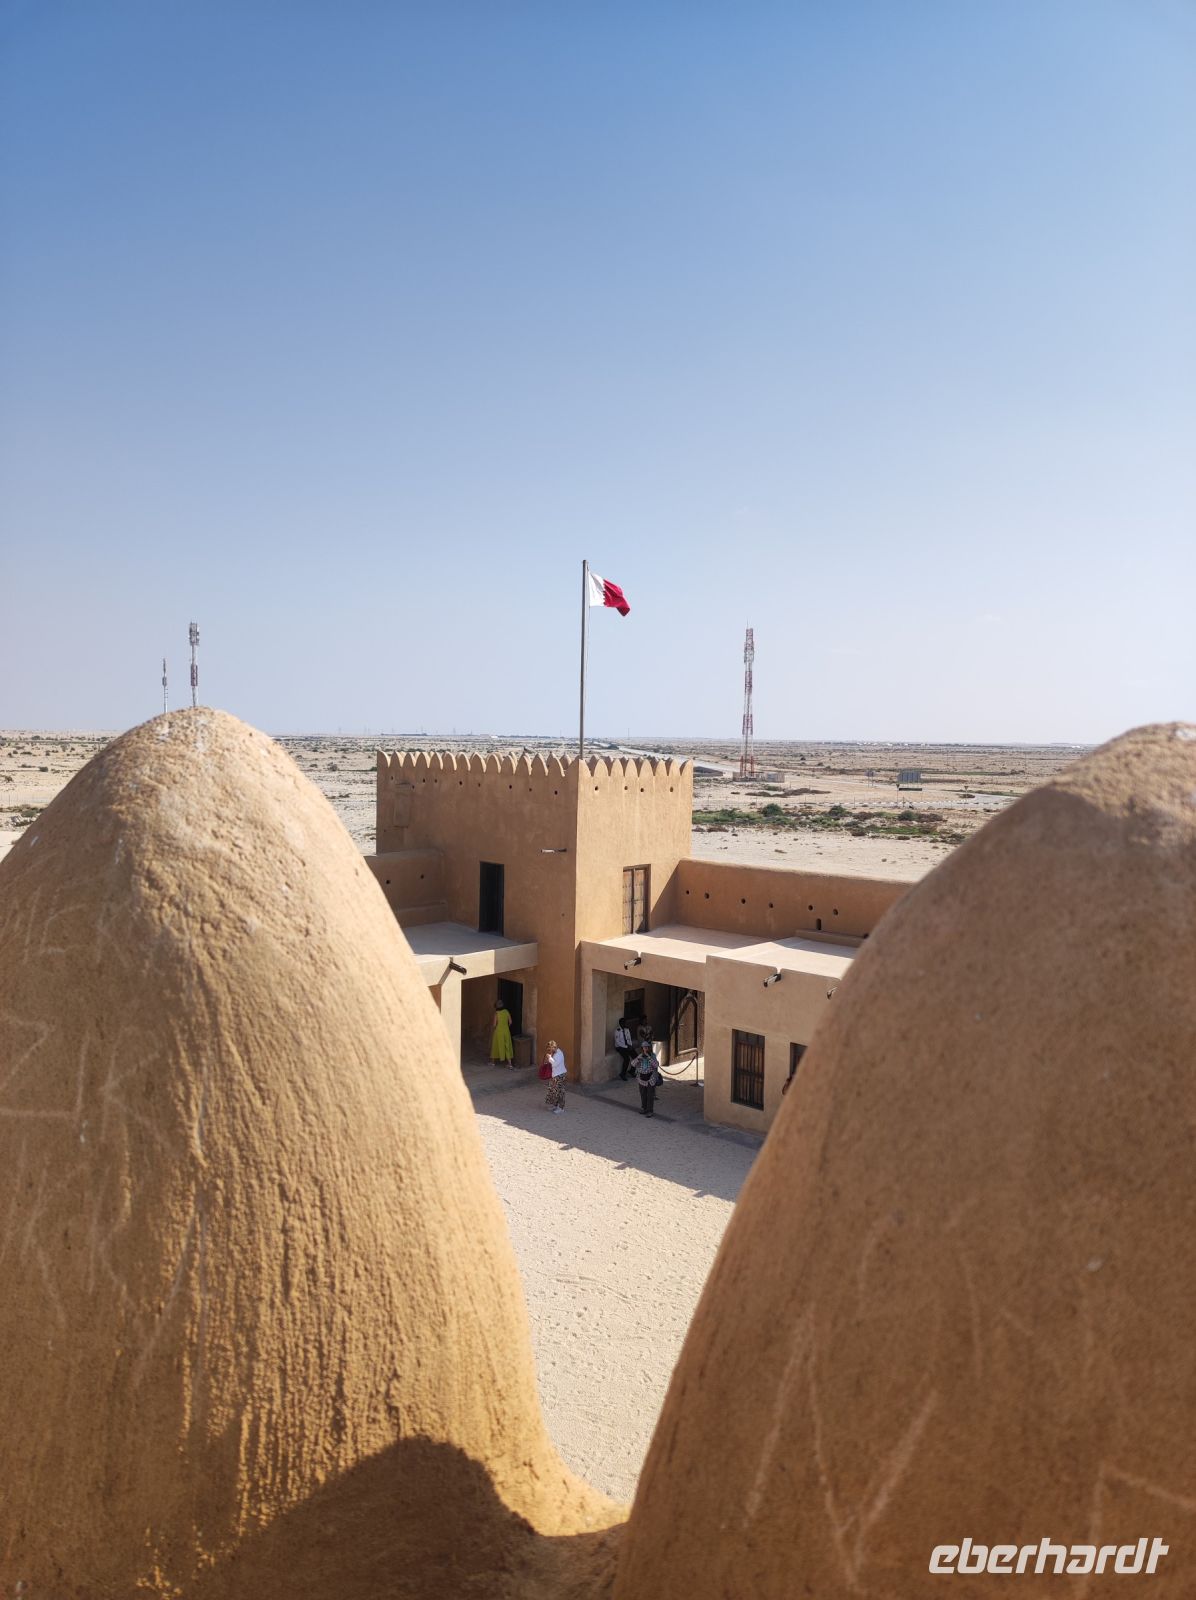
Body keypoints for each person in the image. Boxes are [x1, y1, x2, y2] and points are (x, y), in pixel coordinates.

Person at [635, 1042, 661, 1117]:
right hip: (641, 1078)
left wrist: (649, 1058)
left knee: (650, 1095)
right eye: (644, 1047)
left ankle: (650, 1110)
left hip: (650, 1078)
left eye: (647, 1047)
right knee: (643, 1094)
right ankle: (644, 1108)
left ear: (649, 1048)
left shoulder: (653, 1056)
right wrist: (638, 1058)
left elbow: (656, 1065)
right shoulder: (640, 1056)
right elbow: (633, 1064)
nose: (645, 1049)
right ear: (642, 1048)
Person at [544, 1039, 567, 1114]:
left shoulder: (559, 1053)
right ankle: (555, 1105)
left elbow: (555, 1064)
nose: (549, 1051)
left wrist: (550, 1058)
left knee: (560, 1092)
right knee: (553, 1091)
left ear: (554, 1047)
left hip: (560, 1075)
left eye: (550, 1049)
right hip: (555, 1075)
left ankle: (561, 1108)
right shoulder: (554, 1053)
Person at [490, 999, 514, 1068]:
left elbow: (494, 1024)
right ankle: (510, 1064)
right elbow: (510, 1022)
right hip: (506, 1031)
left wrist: (495, 1028)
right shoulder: (506, 1011)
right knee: (507, 1046)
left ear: (496, 1007)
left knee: (495, 1045)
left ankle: (492, 1062)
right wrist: (506, 1026)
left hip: (498, 1032)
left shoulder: (496, 1013)